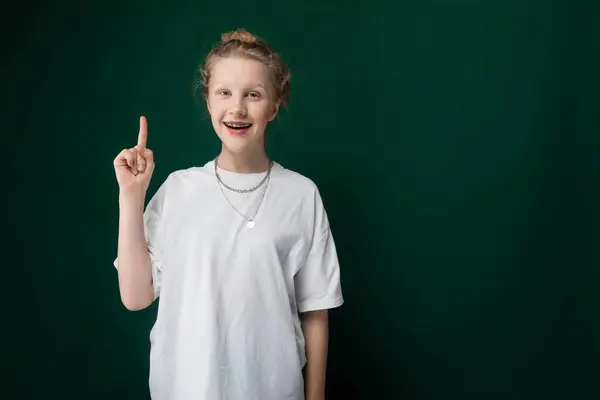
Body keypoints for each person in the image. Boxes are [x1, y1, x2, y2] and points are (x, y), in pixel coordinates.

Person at [112, 28, 344, 400]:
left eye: (253, 95)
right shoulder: (178, 189)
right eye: (224, 93)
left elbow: (316, 311)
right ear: (207, 100)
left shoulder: (302, 194)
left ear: (275, 105)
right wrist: (131, 195)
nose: (237, 108)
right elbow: (136, 296)